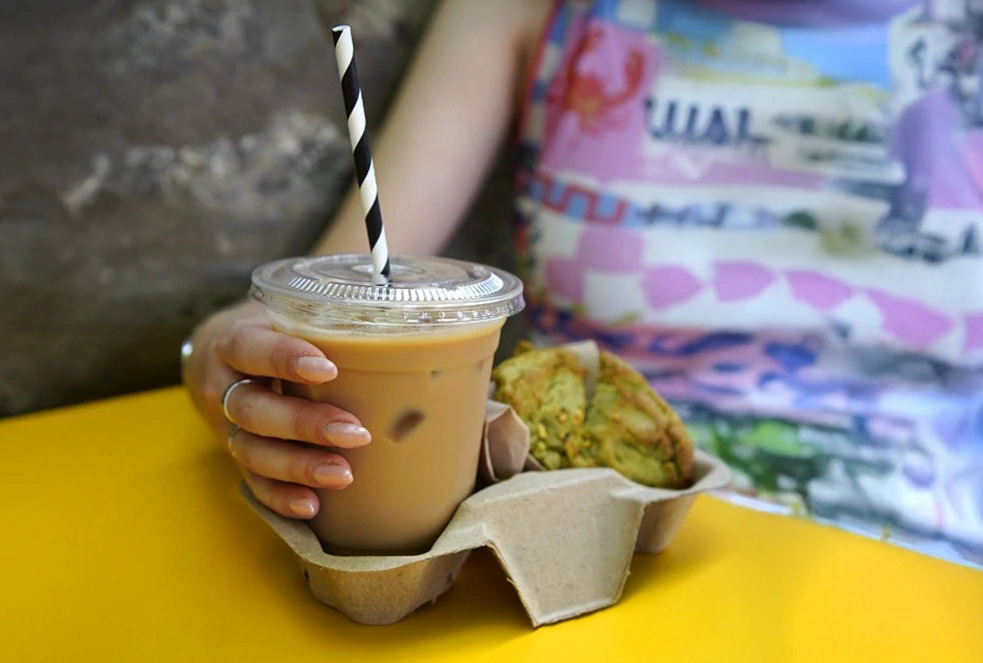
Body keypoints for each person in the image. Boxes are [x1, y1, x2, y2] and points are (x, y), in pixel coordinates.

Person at [183, 0, 983, 566]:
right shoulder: (535, 11)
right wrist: (228, 361)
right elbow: (310, 297)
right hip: (589, 553)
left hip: (931, 563)